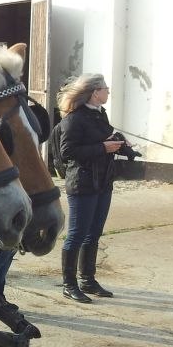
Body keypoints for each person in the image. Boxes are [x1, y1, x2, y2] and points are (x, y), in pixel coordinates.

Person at [56, 74, 136, 303]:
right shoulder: (74, 119)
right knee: (77, 235)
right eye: (105, 89)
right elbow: (67, 152)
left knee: (94, 233)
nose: (108, 92)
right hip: (82, 183)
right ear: (94, 92)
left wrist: (124, 147)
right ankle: (69, 284)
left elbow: (107, 138)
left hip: (103, 182)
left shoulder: (99, 115)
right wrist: (103, 147)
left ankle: (88, 280)